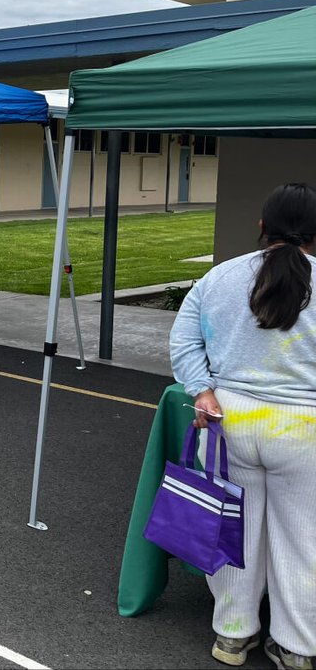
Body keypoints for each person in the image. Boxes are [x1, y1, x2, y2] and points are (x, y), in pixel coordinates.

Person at [170, 182, 316, 670]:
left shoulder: (220, 278)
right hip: (305, 428)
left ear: (261, 228)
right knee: (303, 539)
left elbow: (184, 341)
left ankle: (232, 636)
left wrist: (203, 391)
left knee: (230, 528)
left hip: (229, 420)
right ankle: (296, 646)